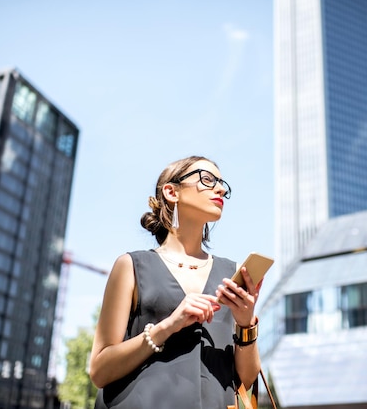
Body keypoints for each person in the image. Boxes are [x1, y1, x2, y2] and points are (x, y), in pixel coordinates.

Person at [90, 155, 262, 408]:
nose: (221, 189)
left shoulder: (233, 273)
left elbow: (245, 383)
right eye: (207, 179)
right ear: (171, 192)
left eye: (222, 183)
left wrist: (246, 323)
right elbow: (99, 371)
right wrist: (168, 325)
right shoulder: (131, 266)